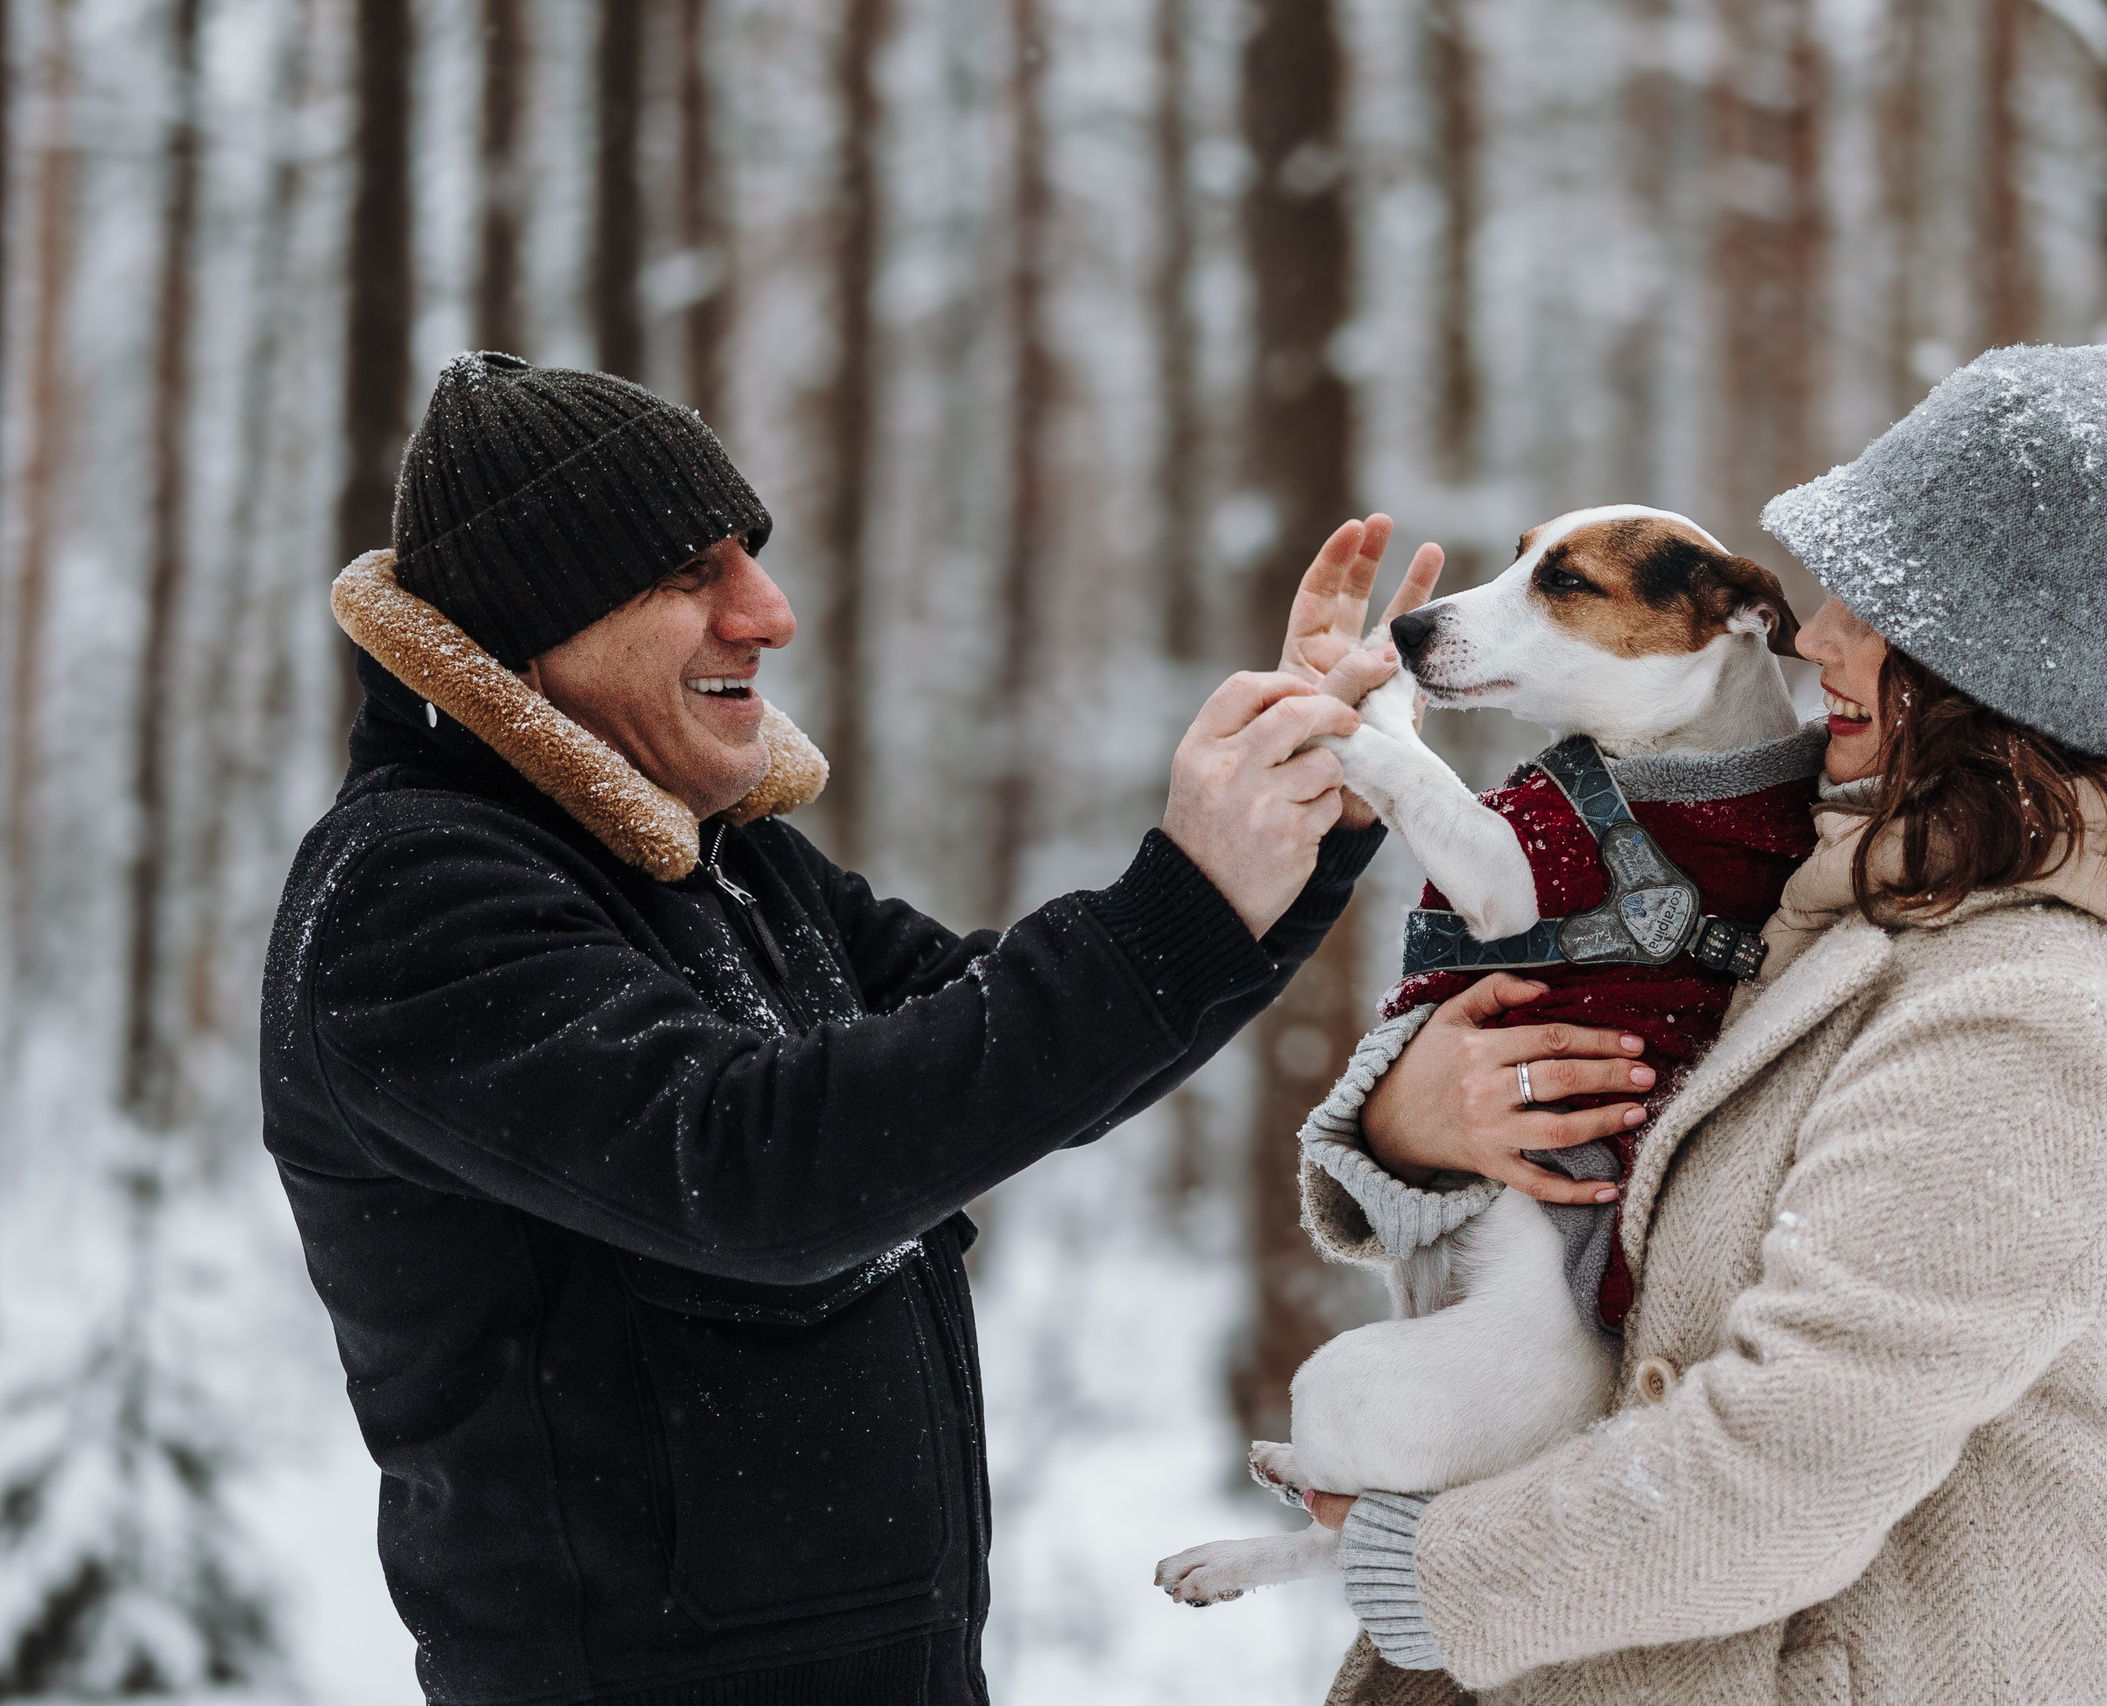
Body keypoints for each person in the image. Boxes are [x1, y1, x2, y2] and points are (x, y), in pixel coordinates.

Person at [261, 352, 1429, 1706]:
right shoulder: (407, 895)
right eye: (690, 572)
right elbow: (758, 1167)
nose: (769, 612)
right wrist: (1182, 895)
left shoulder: (722, 858)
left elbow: (992, 1041)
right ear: (541, 620)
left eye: (750, 558)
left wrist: (1289, 832)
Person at [1295, 343, 2107, 1703]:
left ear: (1999, 670)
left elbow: (1783, 1470)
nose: (1814, 640)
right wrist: (1411, 1119)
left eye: (1874, 611)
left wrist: (1433, 1574)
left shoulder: (2045, 1020)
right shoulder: (1820, 883)